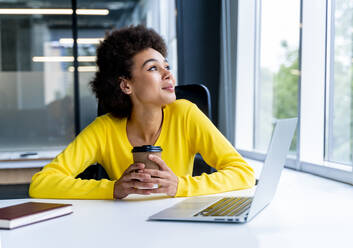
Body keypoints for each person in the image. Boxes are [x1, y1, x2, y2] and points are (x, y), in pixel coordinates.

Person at [29, 25, 255, 200]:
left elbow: (243, 173)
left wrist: (180, 185)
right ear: (126, 85)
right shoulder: (104, 130)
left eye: (166, 66)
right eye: (153, 68)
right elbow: (41, 183)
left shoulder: (186, 114)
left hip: (178, 228)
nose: (168, 75)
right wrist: (114, 188)